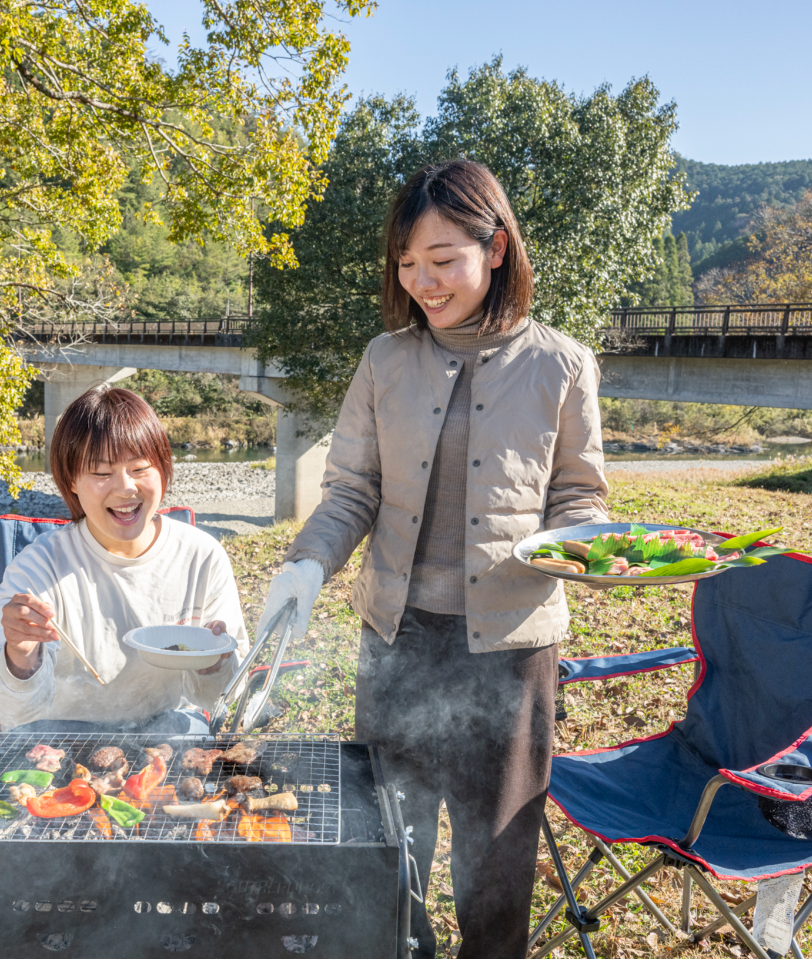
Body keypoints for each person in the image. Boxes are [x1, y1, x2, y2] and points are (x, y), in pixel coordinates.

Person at [255, 159, 608, 959]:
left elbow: (581, 499)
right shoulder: (386, 360)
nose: (422, 280)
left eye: (442, 259)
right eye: (407, 263)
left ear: (498, 247)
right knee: (388, 846)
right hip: (397, 639)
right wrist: (306, 564)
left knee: (494, 864)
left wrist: (586, 543)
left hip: (510, 652)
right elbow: (350, 490)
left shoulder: (562, 365)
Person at [0, 386, 249, 733]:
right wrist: (20, 654)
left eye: (139, 468)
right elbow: (5, 709)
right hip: (56, 734)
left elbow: (224, 697)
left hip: (164, 729)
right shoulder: (38, 570)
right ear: (71, 481)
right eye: (102, 473)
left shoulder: (200, 557)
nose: (125, 489)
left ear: (163, 470)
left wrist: (215, 663)